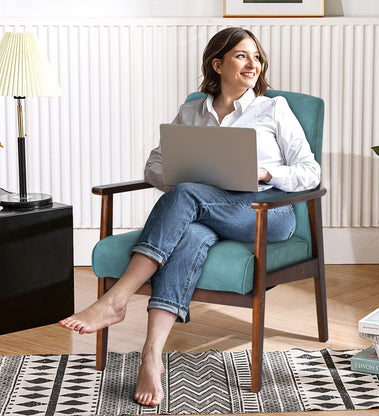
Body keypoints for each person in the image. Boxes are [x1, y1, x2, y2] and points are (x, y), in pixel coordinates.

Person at [59, 27, 320, 406]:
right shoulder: (192, 111)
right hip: (206, 207)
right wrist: (182, 175)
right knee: (190, 234)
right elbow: (155, 163)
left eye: (257, 57)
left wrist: (265, 173)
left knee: (186, 196)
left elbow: (310, 171)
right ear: (218, 63)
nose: (253, 64)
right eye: (242, 56)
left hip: (265, 212)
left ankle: (117, 298)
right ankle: (151, 357)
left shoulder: (273, 108)